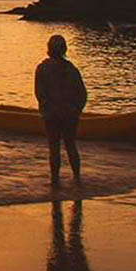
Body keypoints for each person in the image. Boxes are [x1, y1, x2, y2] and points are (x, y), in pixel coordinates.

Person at [34, 35, 87, 185]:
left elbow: (40, 93)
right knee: (71, 145)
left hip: (52, 115)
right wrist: (77, 110)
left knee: (54, 147)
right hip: (70, 114)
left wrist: (46, 109)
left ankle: (55, 181)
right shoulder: (72, 69)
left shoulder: (43, 68)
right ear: (64, 49)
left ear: (49, 49)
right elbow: (82, 94)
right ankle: (77, 178)